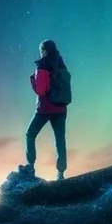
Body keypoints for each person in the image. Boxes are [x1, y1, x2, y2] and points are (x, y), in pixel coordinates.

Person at [18, 39, 68, 181]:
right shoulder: (61, 63)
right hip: (61, 108)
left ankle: (30, 166)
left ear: (44, 50)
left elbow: (41, 90)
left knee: (30, 134)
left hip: (45, 108)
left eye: (41, 50)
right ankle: (61, 173)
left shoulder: (43, 64)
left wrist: (33, 80)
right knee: (60, 140)